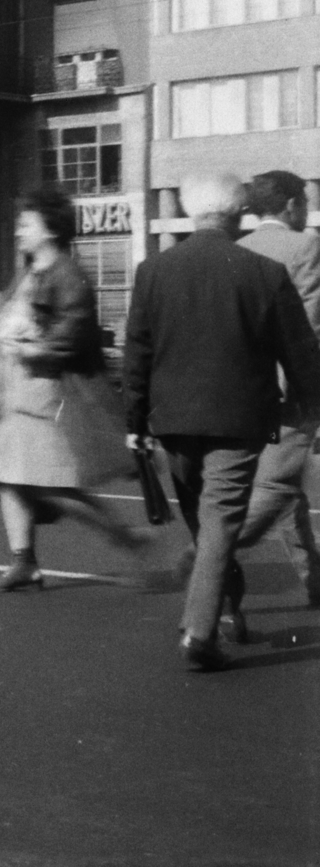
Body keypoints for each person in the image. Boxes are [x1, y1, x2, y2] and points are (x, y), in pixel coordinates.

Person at [124, 171, 320, 671]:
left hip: (171, 420)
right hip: (240, 420)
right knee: (218, 525)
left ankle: (211, 618)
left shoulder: (153, 270)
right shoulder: (263, 274)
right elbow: (302, 357)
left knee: (206, 523)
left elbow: (138, 352)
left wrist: (135, 420)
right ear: (238, 213)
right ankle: (205, 626)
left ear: (191, 210)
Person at [0, 187, 146, 592]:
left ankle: (121, 534)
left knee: (45, 485)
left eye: (26, 224)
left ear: (50, 229)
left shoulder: (67, 274)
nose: (19, 232)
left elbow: (70, 334)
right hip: (16, 393)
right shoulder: (29, 271)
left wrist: (30, 346)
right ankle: (25, 562)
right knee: (11, 478)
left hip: (45, 393)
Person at [219, 171, 320, 634]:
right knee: (278, 484)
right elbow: (309, 330)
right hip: (288, 394)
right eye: (305, 201)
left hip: (238, 393)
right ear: (291, 206)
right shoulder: (305, 248)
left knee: (283, 490)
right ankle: (209, 552)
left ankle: (314, 579)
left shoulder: (234, 251)